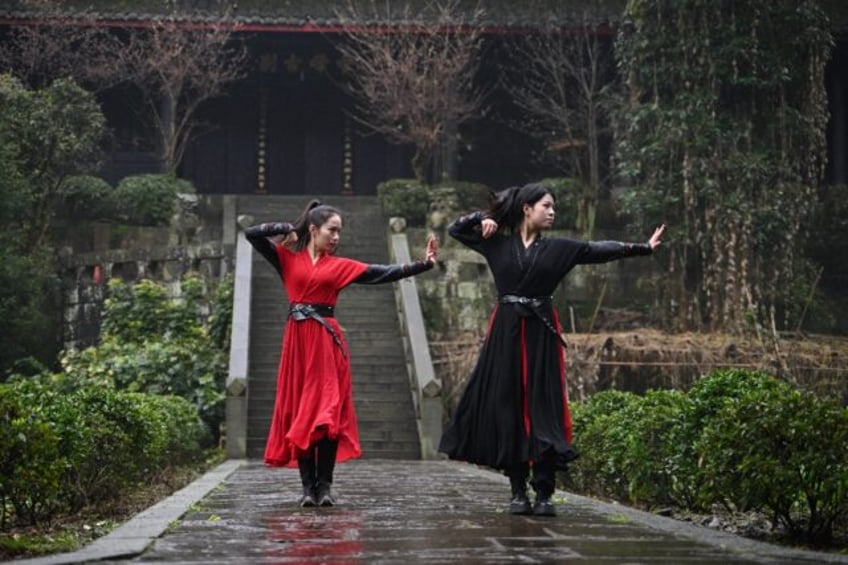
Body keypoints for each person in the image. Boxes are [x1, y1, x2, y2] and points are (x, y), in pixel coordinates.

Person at [438, 183, 664, 517]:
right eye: (546, 205)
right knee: (508, 406)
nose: (553, 211)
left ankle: (544, 491)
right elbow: (455, 230)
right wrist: (483, 218)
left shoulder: (559, 249)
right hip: (506, 333)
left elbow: (597, 250)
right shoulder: (497, 244)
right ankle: (517, 490)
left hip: (541, 332)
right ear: (526, 208)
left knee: (544, 407)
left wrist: (642, 247)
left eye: (554, 206)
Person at [245, 199, 439, 507]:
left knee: (328, 413)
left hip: (327, 342)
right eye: (331, 230)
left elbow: (381, 272)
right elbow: (252, 235)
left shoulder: (340, 266)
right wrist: (287, 229)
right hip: (297, 344)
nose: (336, 237)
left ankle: (325, 487)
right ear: (313, 230)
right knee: (302, 412)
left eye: (340, 232)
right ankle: (308, 488)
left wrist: (422, 264)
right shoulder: (286, 259)